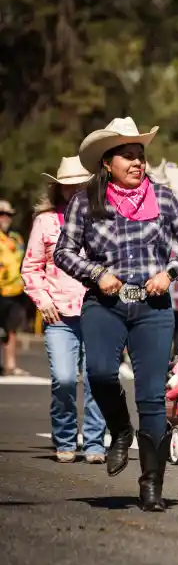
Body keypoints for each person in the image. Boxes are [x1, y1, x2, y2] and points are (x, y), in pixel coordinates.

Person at [54, 117, 178, 511]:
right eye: (127, 155)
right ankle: (120, 430)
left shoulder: (164, 197)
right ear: (108, 163)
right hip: (104, 302)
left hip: (153, 305)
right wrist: (96, 273)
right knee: (101, 373)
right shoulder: (85, 200)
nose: (137, 162)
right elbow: (64, 251)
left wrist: (170, 272)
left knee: (153, 396)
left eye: (140, 155)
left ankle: (151, 485)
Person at [20, 156, 107, 463]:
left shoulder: (102, 217)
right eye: (68, 187)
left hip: (98, 309)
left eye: (79, 186)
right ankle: (65, 437)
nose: (73, 192)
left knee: (99, 378)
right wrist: (42, 300)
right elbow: (30, 267)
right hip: (58, 313)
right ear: (58, 189)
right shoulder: (45, 221)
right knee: (65, 378)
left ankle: (96, 442)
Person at [0, 199, 29, 375]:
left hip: (14, 291)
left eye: (8, 214)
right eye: (1, 214)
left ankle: (10, 365)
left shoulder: (17, 238)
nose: (5, 218)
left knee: (11, 329)